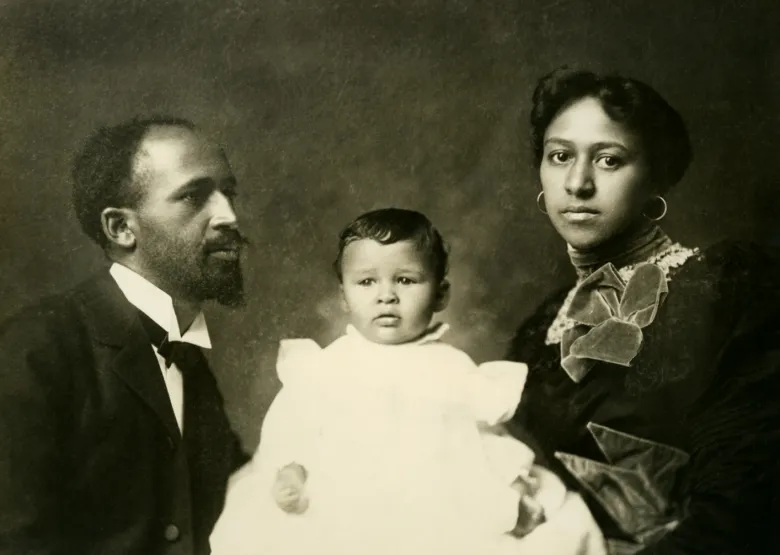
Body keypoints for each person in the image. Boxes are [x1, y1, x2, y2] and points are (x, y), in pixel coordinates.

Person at [210, 208, 605, 555]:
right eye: (366, 282)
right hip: (344, 499)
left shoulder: (451, 367)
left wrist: (510, 488)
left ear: (440, 294)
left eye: (406, 280)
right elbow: (292, 426)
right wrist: (290, 470)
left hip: (435, 499)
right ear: (344, 296)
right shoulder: (326, 367)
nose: (386, 296)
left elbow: (487, 440)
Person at [505, 67, 780, 554]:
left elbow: (749, 500)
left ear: (655, 177)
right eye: (560, 156)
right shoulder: (540, 332)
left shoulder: (722, 288)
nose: (577, 182)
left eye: (609, 160)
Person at [0, 116, 250, 555]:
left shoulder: (187, 354)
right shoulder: (33, 350)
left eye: (227, 193)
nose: (228, 216)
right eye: (194, 196)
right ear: (120, 228)